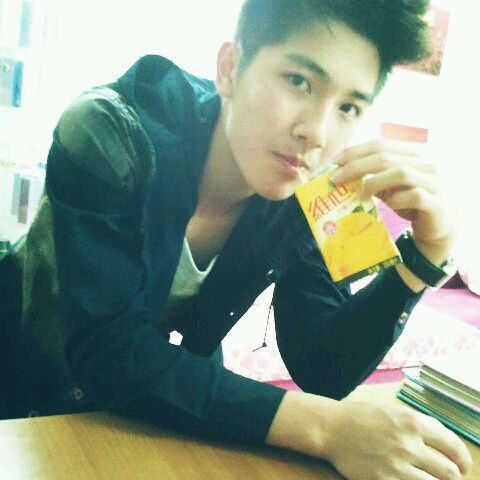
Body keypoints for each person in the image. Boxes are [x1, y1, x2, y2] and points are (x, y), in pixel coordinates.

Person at [3, 0, 472, 478]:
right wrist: (325, 428)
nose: (316, 132)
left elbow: (322, 369)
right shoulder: (108, 131)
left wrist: (426, 254)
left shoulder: (319, 187)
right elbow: (107, 350)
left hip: (143, 418)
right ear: (230, 68)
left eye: (348, 107)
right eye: (298, 81)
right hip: (20, 395)